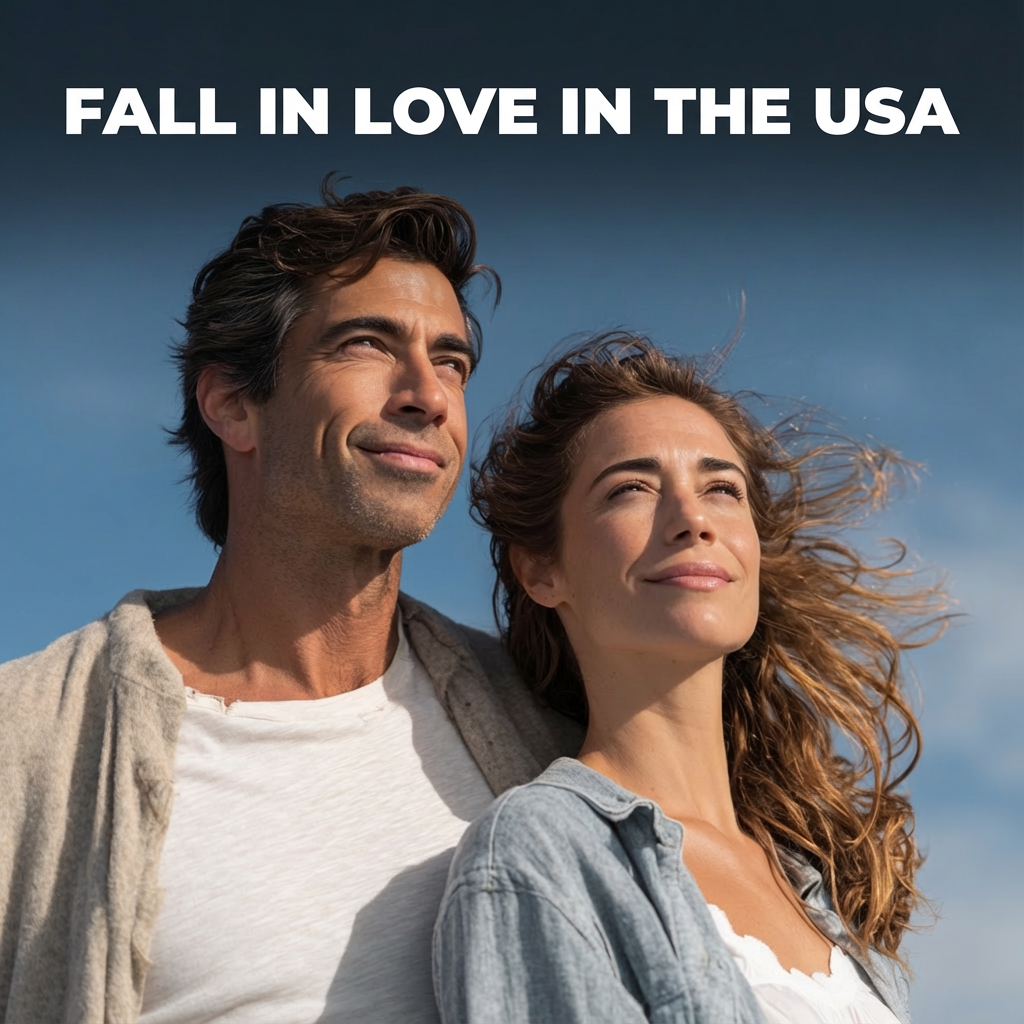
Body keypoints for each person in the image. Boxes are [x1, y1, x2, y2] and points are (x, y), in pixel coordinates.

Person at [0, 180, 582, 1024]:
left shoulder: (545, 723)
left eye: (451, 361)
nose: (428, 395)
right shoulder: (29, 745)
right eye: (365, 345)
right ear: (233, 405)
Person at [433, 336, 946, 1024]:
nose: (693, 519)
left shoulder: (812, 880)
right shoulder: (541, 853)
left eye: (720, 489)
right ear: (541, 571)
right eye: (632, 489)